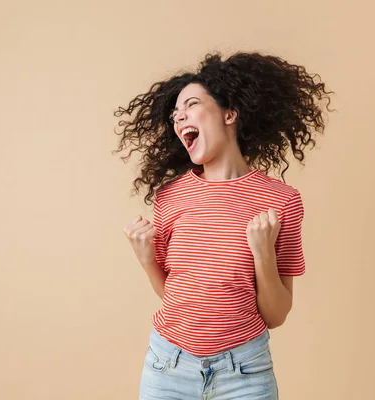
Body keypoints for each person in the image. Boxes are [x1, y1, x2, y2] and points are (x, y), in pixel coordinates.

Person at [114, 51, 332, 399]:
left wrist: (263, 255)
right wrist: (146, 260)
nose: (179, 116)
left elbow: (276, 315)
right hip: (167, 367)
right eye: (175, 115)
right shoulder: (170, 198)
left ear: (230, 113)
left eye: (191, 104)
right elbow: (177, 297)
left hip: (244, 373)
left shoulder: (282, 201)